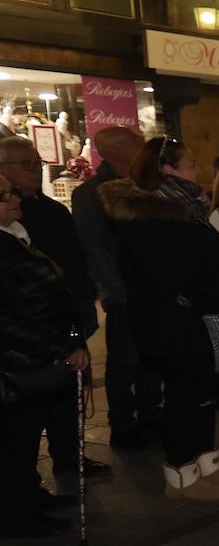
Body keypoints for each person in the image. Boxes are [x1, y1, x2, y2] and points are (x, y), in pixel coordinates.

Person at [100, 138, 219, 503]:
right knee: (185, 399)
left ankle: (207, 466)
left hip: (189, 319)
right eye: (189, 164)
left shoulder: (179, 210)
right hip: (170, 323)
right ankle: (181, 477)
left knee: (200, 396)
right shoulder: (149, 217)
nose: (197, 172)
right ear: (167, 170)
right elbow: (179, 271)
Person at [0, 137, 106, 480]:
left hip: (66, 314)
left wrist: (82, 300)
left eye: (37, 164)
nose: (35, 172)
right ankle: (25, 489)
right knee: (27, 416)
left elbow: (74, 257)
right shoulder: (11, 221)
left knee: (68, 393)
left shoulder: (50, 209)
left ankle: (69, 458)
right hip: (30, 335)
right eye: (26, 165)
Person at [0, 174, 86, 539]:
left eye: (12, 192)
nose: (15, 199)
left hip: (32, 354)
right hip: (16, 361)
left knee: (26, 439)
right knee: (14, 445)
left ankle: (30, 498)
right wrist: (59, 345)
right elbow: (7, 318)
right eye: (4, 196)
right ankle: (18, 515)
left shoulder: (16, 235)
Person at [70, 125, 161, 450]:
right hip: (124, 289)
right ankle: (123, 423)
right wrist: (115, 289)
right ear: (121, 150)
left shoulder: (150, 184)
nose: (142, 143)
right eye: (136, 140)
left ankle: (151, 414)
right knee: (125, 359)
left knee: (152, 354)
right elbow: (94, 247)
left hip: (154, 286)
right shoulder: (91, 193)